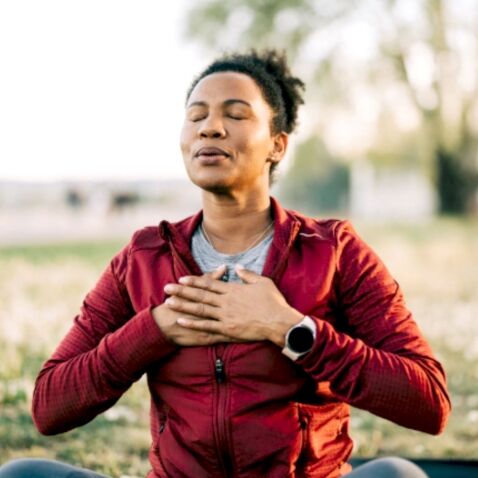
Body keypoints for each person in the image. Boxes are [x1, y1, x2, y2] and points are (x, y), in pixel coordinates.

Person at [0, 50, 450, 478]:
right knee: (22, 474)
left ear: (277, 145)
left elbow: (429, 401)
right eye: (196, 116)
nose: (210, 128)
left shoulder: (334, 252)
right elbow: (49, 407)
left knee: (398, 473)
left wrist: (289, 329)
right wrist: (154, 330)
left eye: (235, 115)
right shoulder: (142, 258)